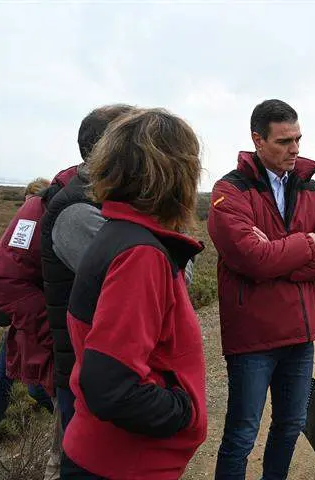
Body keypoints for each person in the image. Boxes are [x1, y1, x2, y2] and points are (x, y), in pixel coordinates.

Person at [60, 108, 207, 479]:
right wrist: (184, 410)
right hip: (122, 465)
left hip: (103, 457)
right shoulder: (140, 255)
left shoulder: (118, 234)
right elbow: (110, 386)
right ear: (175, 174)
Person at [208, 99, 315, 479]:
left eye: (298, 138)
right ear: (258, 139)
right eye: (285, 141)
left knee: (290, 426)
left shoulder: (311, 188)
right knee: (242, 433)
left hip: (300, 338)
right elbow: (250, 258)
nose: (296, 149)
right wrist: (305, 243)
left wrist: (275, 259)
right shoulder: (230, 191)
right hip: (252, 338)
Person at [41, 104, 137, 435]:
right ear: (109, 150)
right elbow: (161, 285)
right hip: (91, 379)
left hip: (112, 373)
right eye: (136, 140)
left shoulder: (112, 201)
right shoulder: (77, 212)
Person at [0, 171, 76, 480]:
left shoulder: (58, 221)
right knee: (6, 378)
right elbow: (7, 279)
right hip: (29, 325)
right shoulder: (30, 221)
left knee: (30, 383)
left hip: (39, 326)